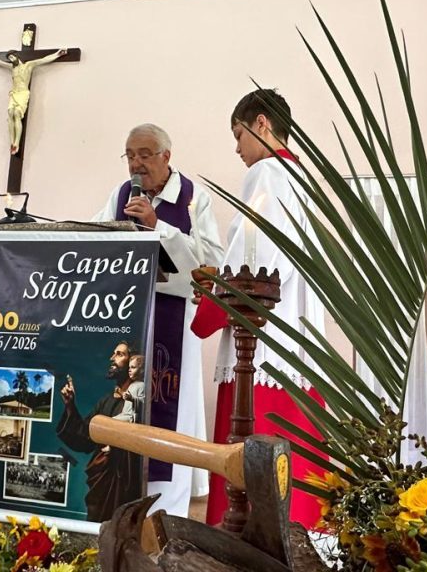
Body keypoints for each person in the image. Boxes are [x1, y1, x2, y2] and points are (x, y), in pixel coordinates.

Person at [193, 89, 327, 530]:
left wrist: (216, 294)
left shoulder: (267, 171)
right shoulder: (298, 176)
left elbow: (258, 261)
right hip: (294, 331)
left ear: (262, 124)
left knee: (252, 444)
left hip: (263, 336)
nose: (237, 149)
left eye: (239, 134)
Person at [91, 123, 224, 517]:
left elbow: (211, 260)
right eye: (130, 155)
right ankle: (126, 509)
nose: (136, 163)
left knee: (171, 415)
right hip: (130, 316)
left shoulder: (193, 199)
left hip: (173, 320)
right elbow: (97, 235)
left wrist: (158, 227)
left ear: (167, 156)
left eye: (145, 155)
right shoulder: (119, 195)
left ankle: (169, 516)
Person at [55, 341, 143, 522]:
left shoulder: (141, 402)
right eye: (113, 353)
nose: (112, 358)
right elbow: (85, 438)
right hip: (102, 484)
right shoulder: (106, 402)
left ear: (132, 361)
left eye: (120, 354)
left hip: (125, 484)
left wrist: (117, 448)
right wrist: (71, 406)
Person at [0, 48, 67, 154]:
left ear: (17, 56)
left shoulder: (28, 65)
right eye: (10, 59)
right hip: (14, 93)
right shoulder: (12, 68)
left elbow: (44, 60)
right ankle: (12, 142)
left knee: (16, 114)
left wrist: (58, 54)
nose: (11, 60)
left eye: (12, 57)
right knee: (10, 114)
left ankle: (16, 142)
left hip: (22, 93)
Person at [114, 354, 146, 424]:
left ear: (142, 370)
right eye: (129, 367)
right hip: (124, 414)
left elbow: (143, 403)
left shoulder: (142, 386)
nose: (129, 370)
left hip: (131, 417)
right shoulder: (132, 385)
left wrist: (131, 398)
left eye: (133, 367)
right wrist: (121, 393)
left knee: (111, 422)